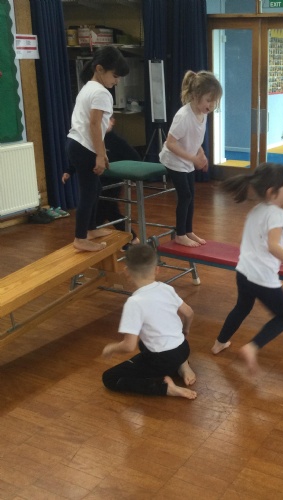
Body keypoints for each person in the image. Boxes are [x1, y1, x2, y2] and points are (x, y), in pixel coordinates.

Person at [211, 163, 283, 375]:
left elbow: (247, 239)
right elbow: (273, 246)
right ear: (272, 192)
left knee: (242, 307)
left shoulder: (255, 210)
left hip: (244, 271)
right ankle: (252, 347)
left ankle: (219, 343)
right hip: (262, 277)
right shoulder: (278, 214)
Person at [101, 243, 197, 399]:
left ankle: (165, 388)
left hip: (162, 360)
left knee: (109, 378)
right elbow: (189, 313)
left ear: (126, 272)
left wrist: (112, 348)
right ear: (157, 269)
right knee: (144, 344)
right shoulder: (166, 288)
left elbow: (129, 346)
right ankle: (183, 365)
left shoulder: (134, 302)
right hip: (183, 349)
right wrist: (185, 331)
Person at [66, 46, 129, 252]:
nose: (116, 81)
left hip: (77, 145)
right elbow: (94, 125)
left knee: (96, 189)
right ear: (100, 69)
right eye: (115, 76)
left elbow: (95, 127)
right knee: (88, 193)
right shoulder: (101, 92)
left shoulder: (88, 87)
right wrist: (100, 155)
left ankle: (91, 228)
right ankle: (80, 238)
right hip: (83, 147)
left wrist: (101, 154)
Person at [159, 70, 223, 248]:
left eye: (214, 101)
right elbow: (170, 143)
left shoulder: (203, 113)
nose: (211, 105)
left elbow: (194, 139)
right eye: (208, 100)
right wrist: (193, 158)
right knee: (185, 195)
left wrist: (201, 154)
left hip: (186, 160)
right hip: (172, 160)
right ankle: (180, 235)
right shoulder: (183, 116)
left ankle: (188, 231)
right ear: (195, 96)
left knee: (191, 196)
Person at [63, 115, 140, 250]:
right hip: (98, 179)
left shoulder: (117, 141)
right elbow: (82, 158)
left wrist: (128, 173)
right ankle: (95, 232)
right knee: (101, 210)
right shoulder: (92, 139)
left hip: (112, 181)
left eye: (107, 120)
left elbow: (135, 157)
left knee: (109, 209)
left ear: (113, 122)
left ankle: (132, 238)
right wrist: (69, 171)